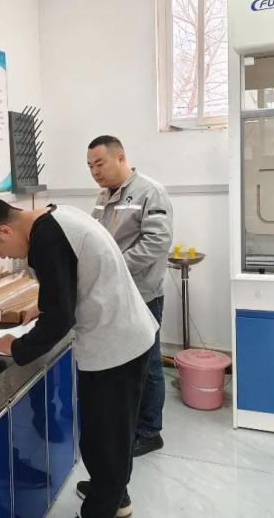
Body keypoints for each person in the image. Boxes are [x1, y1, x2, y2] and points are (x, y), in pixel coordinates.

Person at [0, 198, 158, 518]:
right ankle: (112, 494)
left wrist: (16, 346)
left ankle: (105, 506)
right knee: (103, 435)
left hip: (116, 346)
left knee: (108, 442)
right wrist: (43, 303)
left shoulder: (46, 237)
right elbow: (71, 272)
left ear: (5, 230)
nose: (5, 258)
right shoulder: (55, 215)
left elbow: (59, 320)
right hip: (122, 336)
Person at [86, 135, 173, 457]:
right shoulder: (103, 196)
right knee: (127, 362)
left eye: (100, 163)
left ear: (121, 157)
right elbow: (96, 237)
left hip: (143, 292)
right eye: (90, 166)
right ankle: (132, 423)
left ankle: (150, 432)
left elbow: (156, 243)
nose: (95, 171)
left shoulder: (150, 191)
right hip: (115, 292)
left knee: (148, 363)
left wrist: (116, 268)